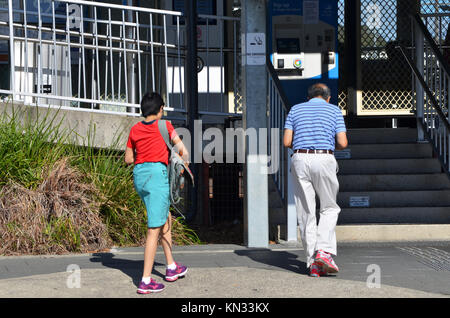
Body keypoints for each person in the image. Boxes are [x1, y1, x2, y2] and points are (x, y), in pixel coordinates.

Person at [125, 92, 190, 294]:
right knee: (154, 228)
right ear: (160, 109)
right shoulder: (165, 126)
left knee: (165, 218)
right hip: (156, 177)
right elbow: (183, 151)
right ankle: (145, 280)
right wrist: (181, 167)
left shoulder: (135, 129)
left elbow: (128, 159)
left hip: (140, 177)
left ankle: (171, 267)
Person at [283, 83, 348, 277]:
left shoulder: (295, 110)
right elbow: (343, 143)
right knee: (329, 207)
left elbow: (287, 142)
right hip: (324, 158)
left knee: (306, 212)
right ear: (328, 98)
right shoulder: (334, 110)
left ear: (309, 97)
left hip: (300, 159)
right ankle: (323, 251)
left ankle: (313, 264)